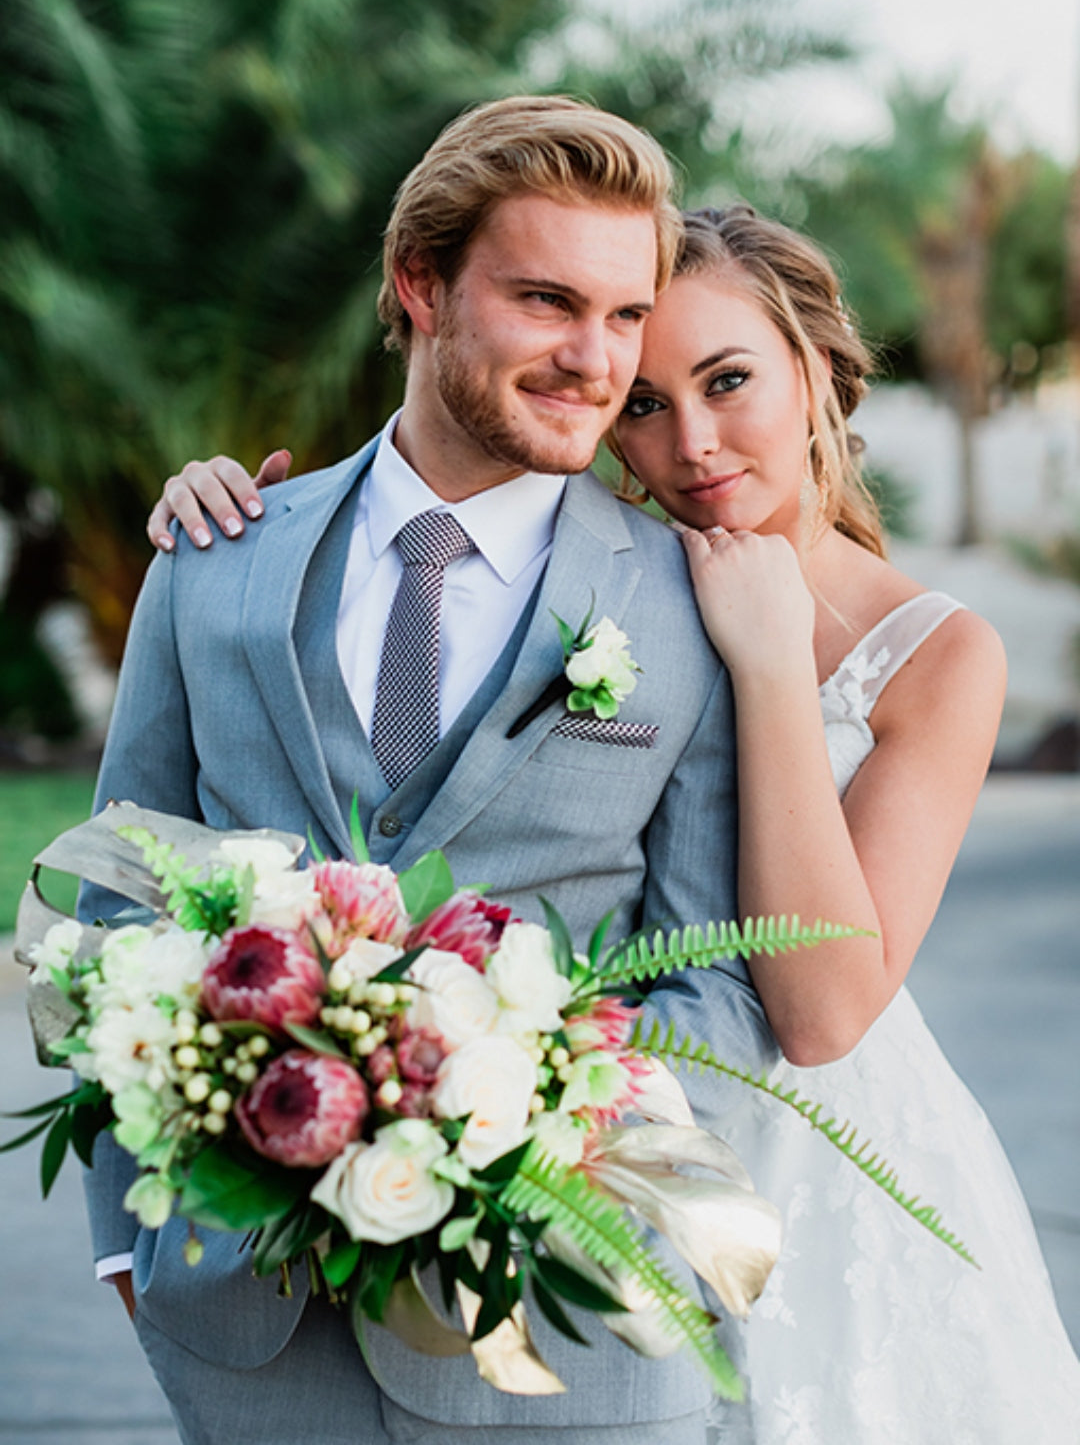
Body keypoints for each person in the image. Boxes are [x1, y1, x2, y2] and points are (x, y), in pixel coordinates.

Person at [158, 203, 1080, 1443]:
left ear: (814, 369)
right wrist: (251, 524)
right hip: (573, 1148)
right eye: (644, 404)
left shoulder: (936, 651)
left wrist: (765, 665)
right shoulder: (612, 577)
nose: (693, 442)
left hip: (810, 1162)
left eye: (730, 379)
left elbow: (819, 1009)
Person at [80, 95, 769, 1445]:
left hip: (580, 1331)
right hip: (248, 1334)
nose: (595, 360)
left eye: (626, 316)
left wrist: (545, 1124)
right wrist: (128, 1248)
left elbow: (722, 974)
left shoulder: (695, 606)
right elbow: (113, 910)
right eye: (547, 301)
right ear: (421, 285)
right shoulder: (215, 556)